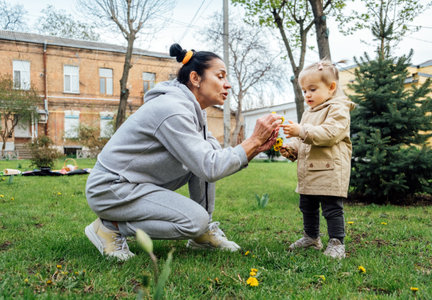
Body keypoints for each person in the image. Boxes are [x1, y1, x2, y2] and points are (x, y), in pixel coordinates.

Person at [84, 43, 281, 261]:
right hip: (111, 189)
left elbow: (211, 159)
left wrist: (255, 147)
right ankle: (109, 226)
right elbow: (211, 166)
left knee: (200, 191)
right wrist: (253, 141)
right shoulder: (172, 110)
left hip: (137, 183)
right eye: (220, 76)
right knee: (194, 221)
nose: (228, 85)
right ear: (196, 78)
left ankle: (201, 235)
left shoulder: (194, 111)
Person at [280, 60, 355, 259]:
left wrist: (301, 130)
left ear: (331, 88)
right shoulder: (308, 113)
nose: (307, 95)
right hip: (310, 170)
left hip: (330, 169)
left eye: (312, 89)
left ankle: (337, 242)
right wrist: (291, 148)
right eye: (304, 91)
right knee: (307, 205)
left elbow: (329, 133)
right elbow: (302, 140)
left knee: (331, 208)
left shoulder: (338, 109)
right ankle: (311, 237)